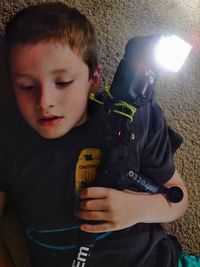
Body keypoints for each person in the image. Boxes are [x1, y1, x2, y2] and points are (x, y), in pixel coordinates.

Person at [0, 2, 188, 267]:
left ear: (94, 79)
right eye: (27, 86)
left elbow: (178, 197)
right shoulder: (10, 141)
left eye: (63, 82)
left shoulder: (135, 116)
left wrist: (137, 209)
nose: (45, 101)